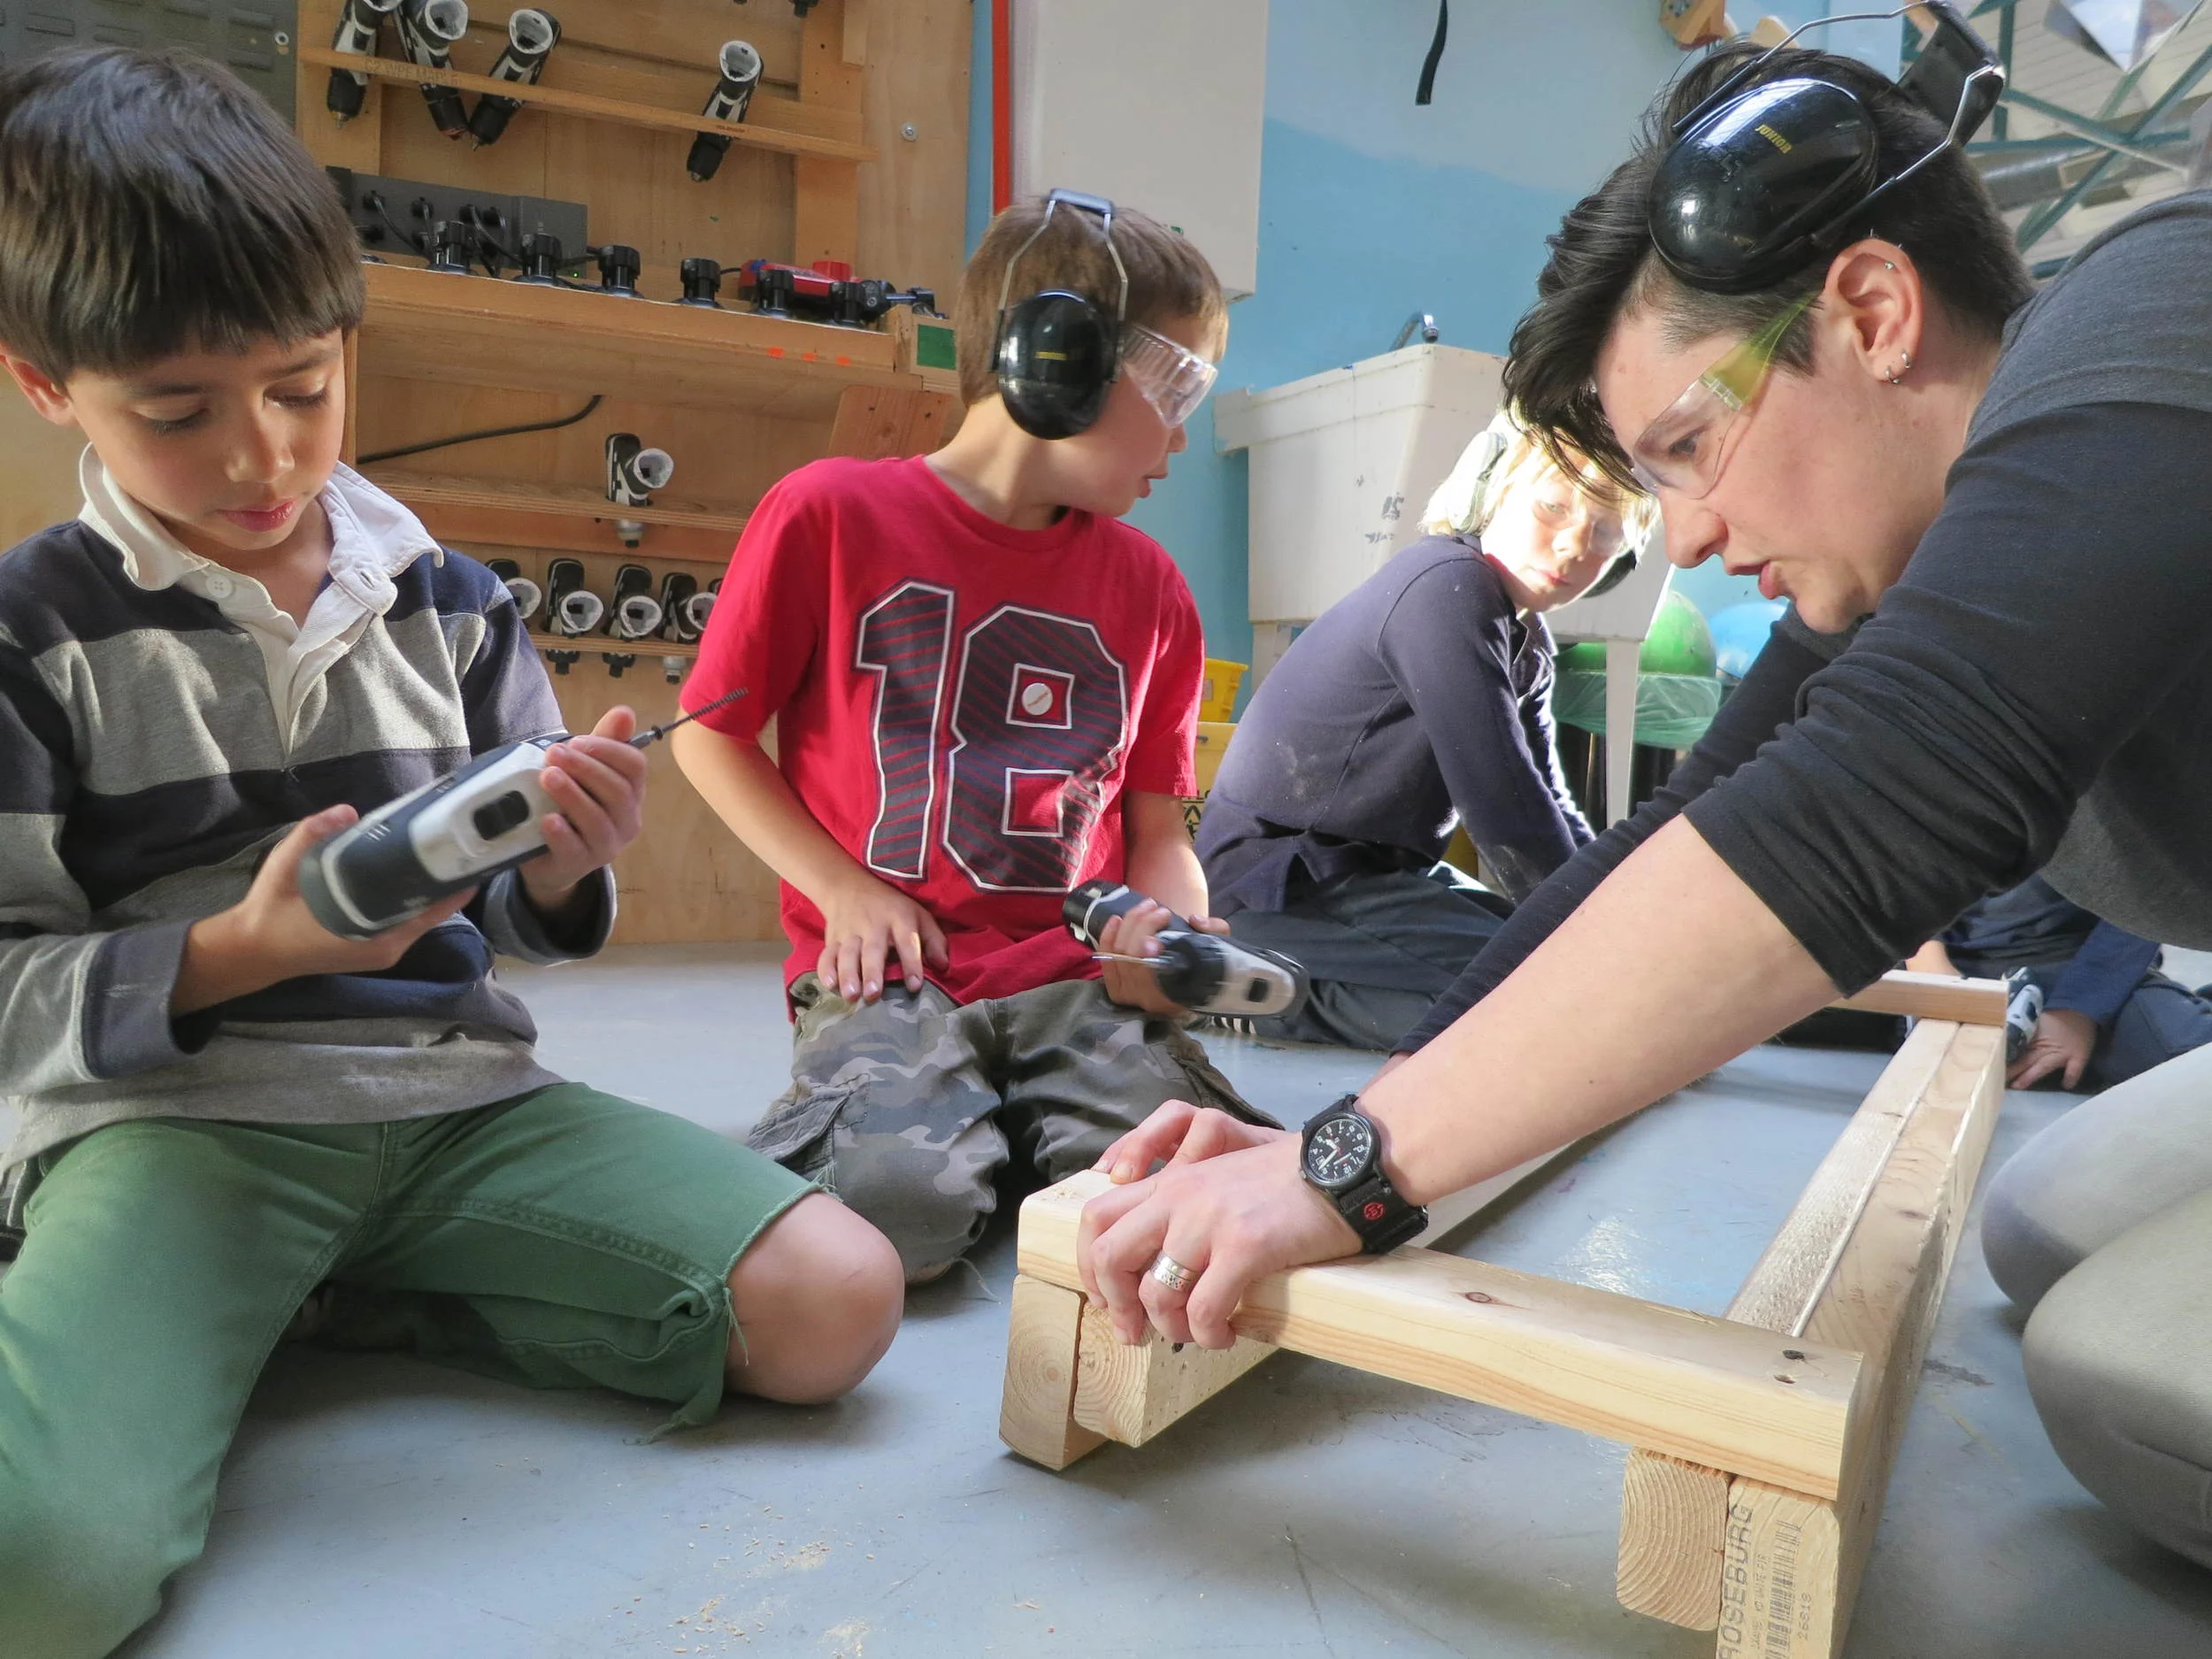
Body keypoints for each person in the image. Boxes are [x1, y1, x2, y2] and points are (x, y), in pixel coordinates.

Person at [1070, 23, 2212, 1570]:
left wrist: (1345, 1178)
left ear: (1872, 310)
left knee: (2121, 1386)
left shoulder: (2161, 316)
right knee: (2040, 1226)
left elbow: (1885, 809)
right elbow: (1666, 839)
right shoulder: (1881, 580)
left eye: (1690, 446)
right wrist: (1356, 1123)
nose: (1681, 538)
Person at [0, 50, 904, 1659]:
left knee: (837, 1302)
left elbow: (527, 927)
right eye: (180, 412)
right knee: (40, 1576)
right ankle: (214, 1287)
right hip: (184, 1124)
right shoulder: (31, 635)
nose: (265, 456)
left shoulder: (457, 601)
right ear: (44, 382)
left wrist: (560, 861)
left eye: (303, 387)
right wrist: (241, 957)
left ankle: (310, 1298)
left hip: (456, 1103)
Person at [671, 191, 1270, 1286]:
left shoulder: (1154, 592)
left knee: (1182, 1198)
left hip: (1074, 978)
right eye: (1175, 389)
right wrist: (841, 887)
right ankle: (938, 1127)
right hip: (894, 973)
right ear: (1061, 357)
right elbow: (708, 739)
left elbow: (1155, 824)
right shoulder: (827, 514)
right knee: (896, 1220)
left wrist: (1170, 930)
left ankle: (1001, 1127)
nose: (1183, 438)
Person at [1193, 410, 1647, 1050]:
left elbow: (1551, 805)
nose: (1575, 544)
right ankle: (1250, 994)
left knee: (1564, 979)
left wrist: (1621, 915)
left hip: (1376, 877)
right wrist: (1605, 950)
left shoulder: (1527, 642)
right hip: (1283, 883)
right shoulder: (1448, 587)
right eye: (1552, 506)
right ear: (1491, 491)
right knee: (1542, 1013)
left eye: (1605, 532)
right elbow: (1504, 809)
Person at [1923, 877, 2212, 1092]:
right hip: (1935, 953)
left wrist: (2077, 1012)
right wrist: (1931, 972)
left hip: (2079, 960)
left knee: (2191, 1063)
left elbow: (2149, 882)